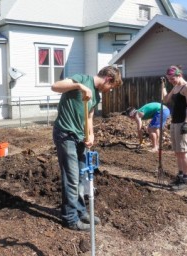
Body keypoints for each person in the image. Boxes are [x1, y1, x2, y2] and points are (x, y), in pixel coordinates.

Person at [52, 66, 123, 231]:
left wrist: (90, 135)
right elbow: (55, 86)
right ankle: (69, 219)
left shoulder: (96, 97)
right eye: (111, 87)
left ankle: (81, 211)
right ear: (108, 79)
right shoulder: (82, 79)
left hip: (80, 137)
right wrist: (79, 86)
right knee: (71, 177)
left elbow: (89, 117)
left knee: (82, 175)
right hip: (65, 134)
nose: (109, 90)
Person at [162, 65, 187, 191]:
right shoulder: (175, 87)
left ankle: (186, 180)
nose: (171, 81)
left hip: (183, 122)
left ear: (179, 75)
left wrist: (186, 122)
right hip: (175, 122)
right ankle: (180, 176)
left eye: (172, 79)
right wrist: (163, 86)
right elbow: (165, 99)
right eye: (169, 79)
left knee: (184, 152)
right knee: (177, 152)